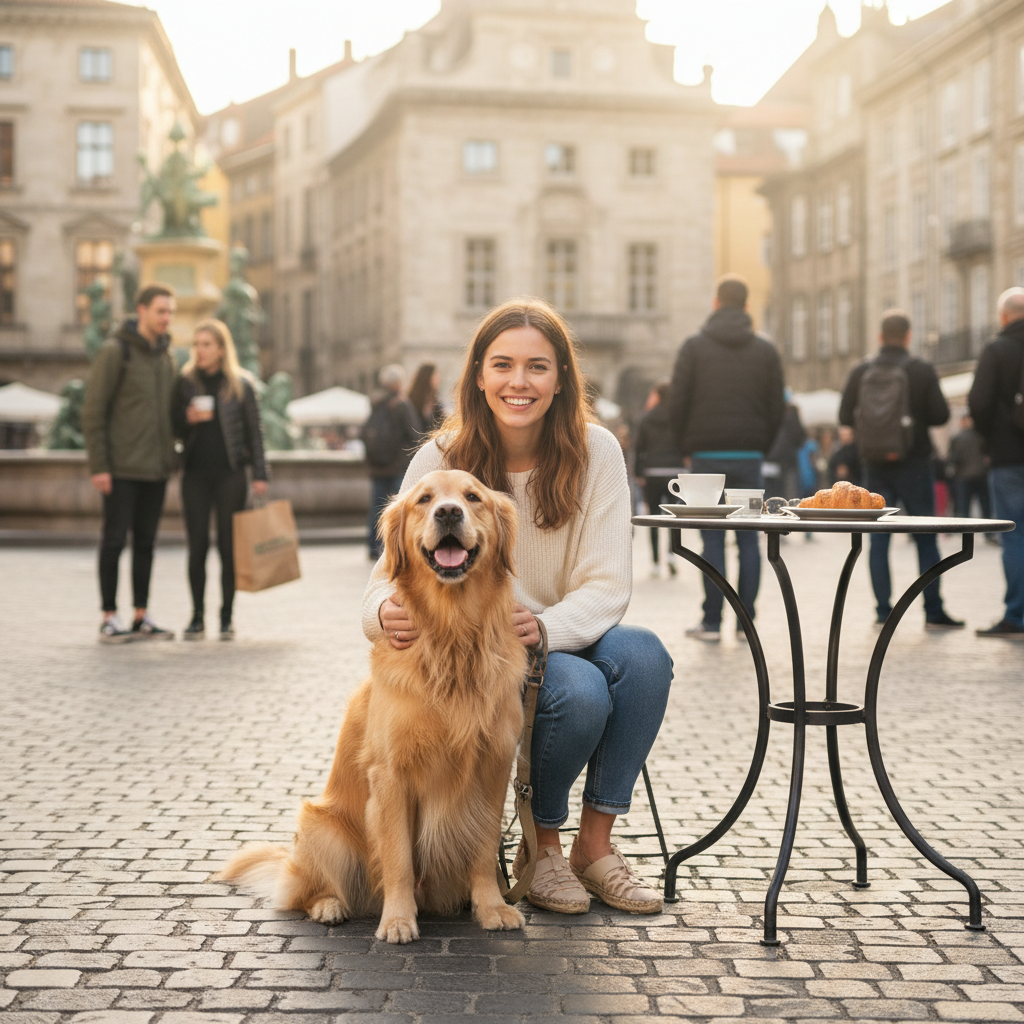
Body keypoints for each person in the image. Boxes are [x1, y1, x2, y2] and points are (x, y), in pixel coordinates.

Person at [361, 298, 673, 915]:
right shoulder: (441, 457)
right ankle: (544, 850)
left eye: (537, 367)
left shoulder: (598, 451)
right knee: (580, 690)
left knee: (645, 656)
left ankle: (594, 847)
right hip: (484, 650)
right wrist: (379, 613)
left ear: (560, 380)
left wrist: (545, 627)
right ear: (479, 375)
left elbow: (608, 583)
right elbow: (384, 575)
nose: (519, 382)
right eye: (503, 365)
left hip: (559, 628)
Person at [667, 273, 785, 643]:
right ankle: (746, 621)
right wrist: (761, 445)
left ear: (716, 303)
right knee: (749, 538)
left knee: (712, 540)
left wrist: (686, 445)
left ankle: (712, 621)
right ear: (747, 307)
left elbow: (677, 402)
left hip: (706, 459)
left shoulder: (694, 347)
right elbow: (777, 407)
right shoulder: (765, 350)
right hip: (749, 456)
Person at [839, 310, 963, 630]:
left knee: (878, 540)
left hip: (874, 465)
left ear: (880, 337)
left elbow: (844, 415)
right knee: (925, 537)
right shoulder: (920, 369)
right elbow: (939, 416)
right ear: (908, 336)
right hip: (915, 462)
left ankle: (882, 610)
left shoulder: (861, 370)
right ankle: (933, 611)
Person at [81, 283, 179, 643]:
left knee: (147, 543)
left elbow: (169, 414)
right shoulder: (115, 351)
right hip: (120, 467)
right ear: (141, 310)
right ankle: (109, 616)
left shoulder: (166, 358)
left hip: (154, 468)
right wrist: (99, 465)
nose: (166, 318)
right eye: (160, 311)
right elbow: (93, 411)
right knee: (113, 541)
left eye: (170, 312)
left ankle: (141, 614)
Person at [172, 319, 269, 640]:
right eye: (196, 344)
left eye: (206, 344)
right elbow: (172, 429)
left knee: (229, 548)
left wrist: (259, 474)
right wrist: (186, 419)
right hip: (195, 475)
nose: (199, 350)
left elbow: (255, 432)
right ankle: (197, 617)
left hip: (231, 475)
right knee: (196, 546)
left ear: (221, 349)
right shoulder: (184, 383)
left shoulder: (240, 384)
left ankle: (226, 618)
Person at [968, 287, 1024, 639]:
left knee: (1015, 537)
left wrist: (991, 437)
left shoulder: (997, 349)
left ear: (1004, 316)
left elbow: (979, 402)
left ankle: (1017, 615)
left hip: (1008, 457)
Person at [361, 365, 420, 559]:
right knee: (398, 509)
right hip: (397, 466)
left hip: (377, 466)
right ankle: (393, 547)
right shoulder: (401, 404)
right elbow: (415, 434)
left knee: (376, 507)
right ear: (398, 383)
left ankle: (373, 545)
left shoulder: (376, 402)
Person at [633, 380, 685, 578]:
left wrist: (639, 473)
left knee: (653, 516)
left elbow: (639, 448)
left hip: (652, 470)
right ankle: (672, 554)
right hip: (675, 471)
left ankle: (655, 562)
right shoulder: (679, 418)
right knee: (674, 516)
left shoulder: (647, 418)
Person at [947, 415, 991, 521]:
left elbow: (953, 458)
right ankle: (988, 531)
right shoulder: (980, 436)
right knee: (985, 506)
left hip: (963, 475)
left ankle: (963, 530)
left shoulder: (956, 438)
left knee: (963, 507)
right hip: (981, 474)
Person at [407, 362, 446, 440]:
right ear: (427, 377)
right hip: (414, 444)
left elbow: (442, 424)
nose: (439, 378)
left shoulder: (436, 401)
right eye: (435, 375)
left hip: (431, 443)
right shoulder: (411, 399)